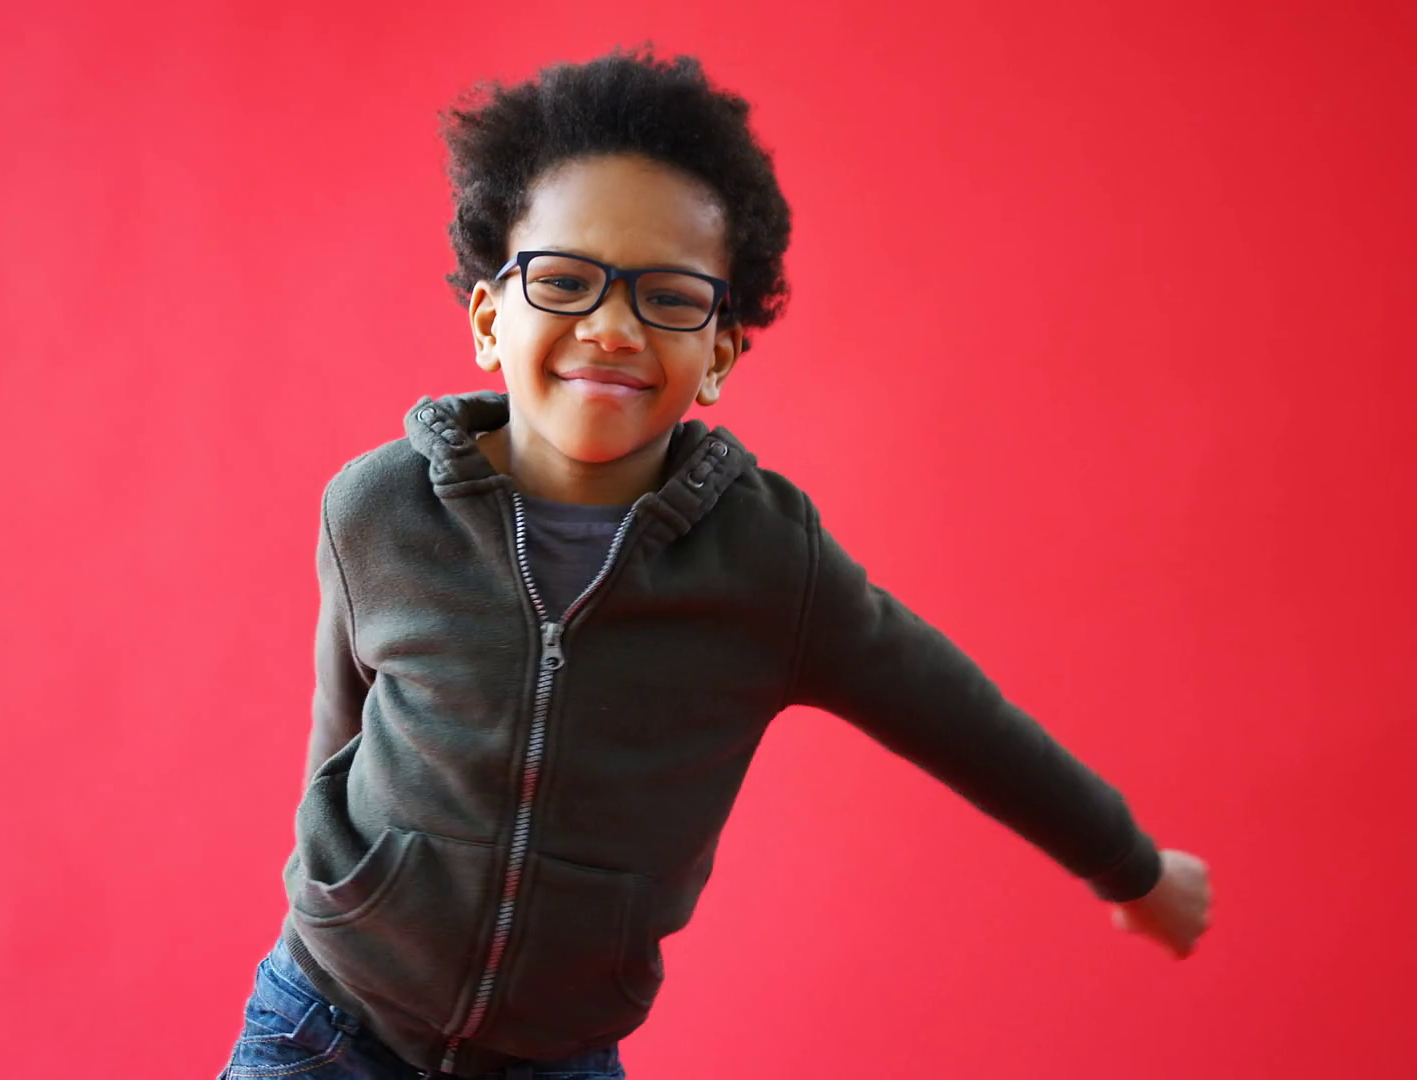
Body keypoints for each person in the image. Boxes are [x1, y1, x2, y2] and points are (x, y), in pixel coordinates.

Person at [218, 47, 1213, 1080]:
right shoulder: (377, 507)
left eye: (669, 298)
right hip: (326, 1027)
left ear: (722, 354)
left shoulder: (769, 568)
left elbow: (963, 719)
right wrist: (339, 901)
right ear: (487, 317)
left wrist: (1129, 867)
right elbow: (342, 740)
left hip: (553, 1059)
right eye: (564, 281)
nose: (610, 328)